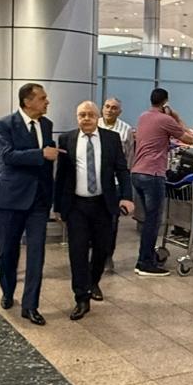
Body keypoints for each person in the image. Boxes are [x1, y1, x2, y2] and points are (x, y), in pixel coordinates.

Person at [55, 101, 134, 320]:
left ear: (97, 117)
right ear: (77, 117)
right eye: (82, 115)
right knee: (77, 251)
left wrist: (127, 197)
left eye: (90, 114)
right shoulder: (67, 139)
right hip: (76, 205)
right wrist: (58, 207)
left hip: (103, 204)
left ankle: (93, 282)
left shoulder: (111, 139)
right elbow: (61, 175)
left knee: (102, 248)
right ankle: (81, 297)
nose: (86, 118)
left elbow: (122, 170)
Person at [0, 84, 58, 326]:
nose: (47, 102)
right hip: (10, 200)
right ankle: (7, 291)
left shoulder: (46, 124)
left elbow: (48, 159)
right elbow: (7, 156)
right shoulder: (4, 124)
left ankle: (30, 305)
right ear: (27, 101)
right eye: (42, 98)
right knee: (7, 253)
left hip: (38, 201)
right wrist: (41, 154)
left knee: (37, 253)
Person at [131, 88, 193, 278]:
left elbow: (154, 139)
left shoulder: (143, 117)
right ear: (165, 102)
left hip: (137, 172)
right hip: (153, 174)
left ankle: (147, 257)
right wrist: (176, 117)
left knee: (147, 220)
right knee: (153, 221)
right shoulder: (166, 120)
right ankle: (144, 263)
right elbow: (190, 138)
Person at [99, 97, 135, 273]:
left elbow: (129, 157)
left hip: (115, 183)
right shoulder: (95, 124)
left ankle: (108, 256)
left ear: (119, 112)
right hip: (95, 182)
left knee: (112, 221)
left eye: (114, 108)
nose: (109, 110)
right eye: (107, 106)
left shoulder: (125, 129)